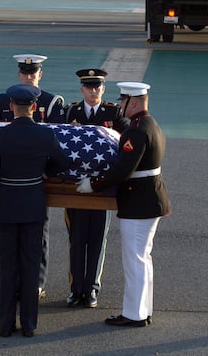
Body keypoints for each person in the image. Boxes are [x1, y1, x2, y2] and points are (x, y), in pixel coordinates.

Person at [76, 82, 170, 327]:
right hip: (149, 198)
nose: (119, 106)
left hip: (139, 201)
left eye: (123, 101)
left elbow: (122, 169)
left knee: (135, 259)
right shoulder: (151, 124)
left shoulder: (136, 131)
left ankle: (134, 314)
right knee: (142, 258)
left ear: (134, 102)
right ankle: (143, 309)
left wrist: (93, 184)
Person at [0, 84, 69, 338]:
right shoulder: (45, 135)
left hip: (8, 204)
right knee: (30, 265)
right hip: (33, 204)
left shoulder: (0, 136)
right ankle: (29, 324)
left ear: (10, 107)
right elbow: (62, 163)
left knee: (7, 266)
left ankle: (5, 325)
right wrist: (42, 172)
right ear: (34, 108)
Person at [0, 54, 66, 298]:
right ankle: (15, 283)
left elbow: (59, 138)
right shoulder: (5, 99)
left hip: (36, 178)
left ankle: (36, 282)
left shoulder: (53, 101)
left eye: (32, 73)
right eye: (24, 73)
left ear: (40, 75)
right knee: (12, 243)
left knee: (38, 239)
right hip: (20, 178)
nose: (28, 77)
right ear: (19, 75)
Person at [63, 68, 127, 309]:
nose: (93, 91)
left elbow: (124, 141)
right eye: (89, 87)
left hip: (102, 188)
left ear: (103, 89)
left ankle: (91, 288)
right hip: (74, 188)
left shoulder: (114, 113)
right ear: (82, 90)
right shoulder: (71, 112)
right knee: (76, 238)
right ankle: (75, 288)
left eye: (97, 87)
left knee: (97, 239)